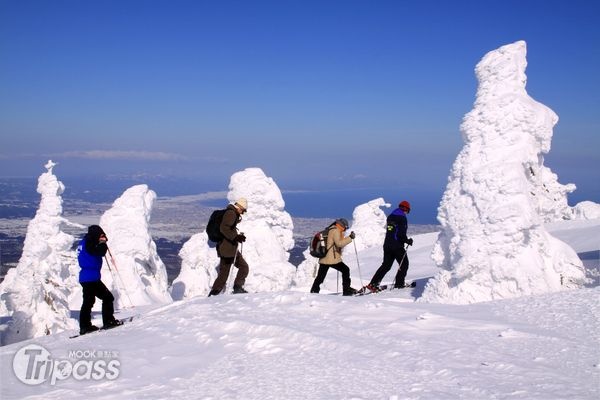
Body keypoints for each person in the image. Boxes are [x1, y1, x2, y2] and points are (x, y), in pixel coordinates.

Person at [77, 225, 122, 334]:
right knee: (107, 298)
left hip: (85, 276)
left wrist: (100, 242)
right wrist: (102, 243)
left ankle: (85, 326)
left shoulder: (83, 242)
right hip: (91, 277)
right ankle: (108, 321)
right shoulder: (89, 242)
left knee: (88, 302)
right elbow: (100, 252)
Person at [366, 201, 414, 292]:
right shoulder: (402, 218)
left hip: (387, 245)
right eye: (408, 211)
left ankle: (373, 284)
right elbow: (401, 234)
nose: (407, 213)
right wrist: (407, 241)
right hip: (397, 246)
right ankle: (399, 284)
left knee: (386, 265)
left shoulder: (391, 216)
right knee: (404, 264)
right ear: (406, 209)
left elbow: (392, 231)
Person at [208, 198, 250, 296]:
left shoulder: (232, 213)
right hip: (227, 249)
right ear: (240, 207)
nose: (243, 213)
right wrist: (235, 237)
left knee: (240, 268)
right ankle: (216, 293)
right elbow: (224, 228)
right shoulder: (231, 213)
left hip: (230, 248)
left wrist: (238, 237)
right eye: (243, 210)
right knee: (226, 273)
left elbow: (227, 228)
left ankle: (233, 289)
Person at [310, 218, 358, 296]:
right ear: (343, 225)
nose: (346, 229)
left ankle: (314, 291)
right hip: (331, 259)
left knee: (320, 277)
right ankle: (346, 290)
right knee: (345, 270)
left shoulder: (332, 229)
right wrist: (350, 238)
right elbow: (339, 244)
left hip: (325, 257)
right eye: (346, 227)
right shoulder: (335, 231)